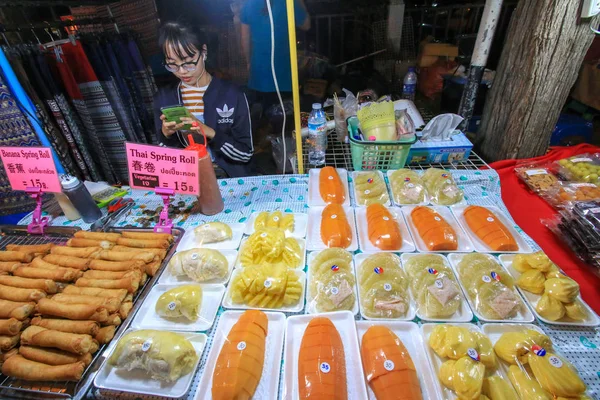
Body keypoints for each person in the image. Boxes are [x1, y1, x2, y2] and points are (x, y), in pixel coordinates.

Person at [154, 21, 254, 178]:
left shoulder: (232, 95)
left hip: (228, 179)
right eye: (172, 65)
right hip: (188, 180)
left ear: (204, 52)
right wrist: (166, 136)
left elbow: (245, 154)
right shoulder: (165, 98)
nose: (182, 72)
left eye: (188, 63)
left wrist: (209, 132)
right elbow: (164, 160)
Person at [240, 0, 310, 109]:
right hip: (285, 76)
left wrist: (249, 61)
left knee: (262, 122)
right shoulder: (288, 2)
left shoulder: (249, 4)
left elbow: (245, 40)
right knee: (286, 120)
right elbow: (306, 25)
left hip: (258, 74)